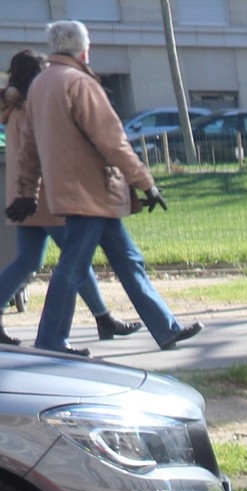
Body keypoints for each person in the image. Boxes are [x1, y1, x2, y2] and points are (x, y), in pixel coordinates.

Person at [20, 21, 195, 355]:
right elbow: (112, 141)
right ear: (83, 48)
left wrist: (27, 191)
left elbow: (28, 147)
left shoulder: (41, 83)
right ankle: (51, 341)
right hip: (91, 191)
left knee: (129, 260)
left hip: (74, 191)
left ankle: (166, 328)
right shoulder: (79, 83)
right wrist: (146, 182)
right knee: (73, 268)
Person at [0, 49, 130, 345]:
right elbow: (39, 154)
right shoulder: (33, 107)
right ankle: (102, 317)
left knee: (27, 261)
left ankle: (103, 317)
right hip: (45, 197)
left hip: (21, 199)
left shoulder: (12, 107)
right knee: (74, 260)